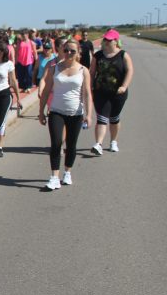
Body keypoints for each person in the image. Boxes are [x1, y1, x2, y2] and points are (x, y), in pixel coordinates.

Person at [38, 39, 93, 190]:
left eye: (73, 51)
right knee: (56, 143)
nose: (69, 53)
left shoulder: (83, 70)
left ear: (78, 53)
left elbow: (87, 94)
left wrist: (89, 115)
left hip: (76, 113)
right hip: (56, 111)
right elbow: (46, 90)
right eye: (67, 50)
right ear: (62, 50)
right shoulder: (54, 68)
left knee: (71, 145)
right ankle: (54, 177)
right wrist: (41, 111)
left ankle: (67, 172)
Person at [90, 29, 134, 155]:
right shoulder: (98, 55)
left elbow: (130, 71)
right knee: (102, 118)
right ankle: (98, 144)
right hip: (100, 92)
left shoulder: (123, 55)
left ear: (116, 41)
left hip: (118, 93)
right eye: (105, 39)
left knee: (114, 119)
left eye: (109, 40)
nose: (106, 42)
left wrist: (124, 86)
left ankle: (113, 141)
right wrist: (89, 88)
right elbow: (92, 72)